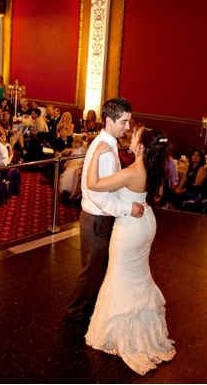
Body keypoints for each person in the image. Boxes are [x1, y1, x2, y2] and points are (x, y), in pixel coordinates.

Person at [83, 124, 176, 374]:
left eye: (134, 135)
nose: (130, 136)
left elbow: (94, 184)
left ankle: (122, 331)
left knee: (121, 275)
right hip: (146, 222)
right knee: (139, 275)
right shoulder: (154, 167)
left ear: (142, 146)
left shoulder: (134, 170)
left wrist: (95, 156)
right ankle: (145, 326)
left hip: (130, 231)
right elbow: (156, 195)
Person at [64, 97, 143, 324]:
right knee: (91, 270)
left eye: (129, 122)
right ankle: (74, 311)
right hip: (96, 219)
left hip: (98, 218)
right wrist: (128, 208)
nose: (127, 127)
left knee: (96, 268)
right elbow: (99, 195)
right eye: (124, 122)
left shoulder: (107, 144)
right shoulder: (105, 149)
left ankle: (87, 307)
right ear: (109, 120)